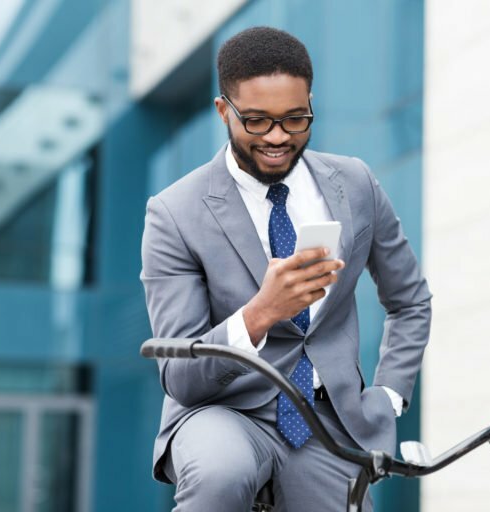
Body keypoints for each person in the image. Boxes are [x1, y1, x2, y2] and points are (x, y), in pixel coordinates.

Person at [140, 26, 431, 512]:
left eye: (295, 119)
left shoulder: (355, 183)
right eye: (256, 121)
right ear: (222, 111)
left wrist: (390, 394)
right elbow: (182, 377)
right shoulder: (175, 212)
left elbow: (410, 300)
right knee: (220, 473)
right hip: (223, 410)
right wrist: (261, 312)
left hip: (324, 420)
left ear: (310, 104)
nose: (277, 137)